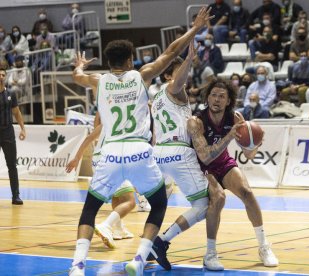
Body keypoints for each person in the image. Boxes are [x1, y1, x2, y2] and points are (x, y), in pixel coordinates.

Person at [68, 7, 212, 276]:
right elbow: (170, 52)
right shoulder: (141, 75)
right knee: (158, 205)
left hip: (109, 153)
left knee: (89, 210)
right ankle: (139, 257)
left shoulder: (98, 81)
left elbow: (76, 76)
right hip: (140, 151)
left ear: (109, 61)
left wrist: (79, 65)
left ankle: (77, 265)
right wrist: (195, 28)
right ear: (131, 59)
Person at [149, 42, 226, 271]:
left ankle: (143, 252)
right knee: (205, 205)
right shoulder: (174, 89)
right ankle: (161, 242)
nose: (184, 77)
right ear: (167, 76)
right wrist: (188, 60)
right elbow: (178, 81)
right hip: (178, 152)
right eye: (178, 72)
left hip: (159, 153)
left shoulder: (157, 98)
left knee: (157, 208)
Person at [188, 79, 278, 267]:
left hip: (223, 163)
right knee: (218, 199)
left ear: (228, 101)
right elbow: (205, 158)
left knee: (247, 192)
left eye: (222, 96)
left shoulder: (235, 117)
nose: (217, 100)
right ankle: (210, 254)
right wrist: (229, 136)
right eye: (213, 95)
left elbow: (248, 154)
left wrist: (255, 143)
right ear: (207, 97)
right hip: (203, 168)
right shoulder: (197, 121)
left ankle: (264, 246)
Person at [65, 120, 136, 248]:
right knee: (130, 201)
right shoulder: (126, 121)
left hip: (97, 160)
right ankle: (106, 225)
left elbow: (89, 138)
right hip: (112, 159)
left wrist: (77, 158)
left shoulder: (106, 123)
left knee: (117, 196)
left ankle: (119, 229)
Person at [0, 68, 26, 205]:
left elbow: (16, 112)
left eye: (3, 74)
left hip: (8, 133)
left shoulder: (10, 94)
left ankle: (15, 196)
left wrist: (23, 128)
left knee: (12, 166)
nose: (1, 76)